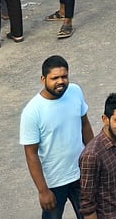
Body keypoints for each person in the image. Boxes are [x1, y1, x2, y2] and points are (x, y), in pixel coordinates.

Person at [21, 55, 94, 219]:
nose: (60, 81)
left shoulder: (75, 91)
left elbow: (85, 125)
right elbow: (31, 154)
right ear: (43, 79)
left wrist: (94, 157)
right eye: (55, 78)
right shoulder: (33, 112)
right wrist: (43, 190)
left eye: (64, 76)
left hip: (81, 175)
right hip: (53, 183)